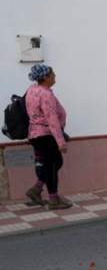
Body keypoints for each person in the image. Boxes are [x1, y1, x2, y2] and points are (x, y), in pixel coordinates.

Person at [25, 64, 72, 210]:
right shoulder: (45, 94)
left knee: (55, 163)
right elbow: (52, 120)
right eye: (52, 74)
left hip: (35, 134)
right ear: (45, 77)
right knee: (52, 166)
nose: (55, 76)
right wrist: (61, 142)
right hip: (46, 135)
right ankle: (53, 200)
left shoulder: (32, 89)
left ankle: (36, 189)